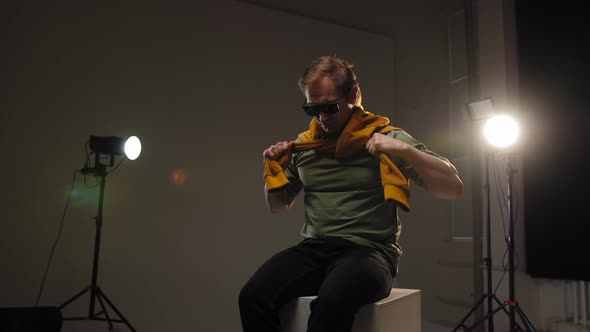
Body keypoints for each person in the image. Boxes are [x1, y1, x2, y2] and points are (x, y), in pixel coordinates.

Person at [239, 55, 463, 332]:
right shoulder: (305, 147)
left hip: (370, 252)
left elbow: (453, 188)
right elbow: (278, 205)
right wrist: (272, 170)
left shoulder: (385, 138)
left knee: (330, 305)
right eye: (313, 109)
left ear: (353, 95)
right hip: (316, 248)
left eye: (330, 107)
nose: (322, 118)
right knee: (252, 297)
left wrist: (405, 150)